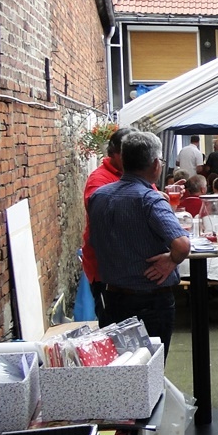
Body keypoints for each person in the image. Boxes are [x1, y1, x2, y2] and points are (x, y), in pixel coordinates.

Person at [87, 131, 190, 357]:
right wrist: (171, 259)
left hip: (111, 297)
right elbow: (182, 245)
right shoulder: (149, 198)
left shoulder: (99, 196)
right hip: (149, 300)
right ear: (155, 164)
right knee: (149, 371)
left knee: (119, 369)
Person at [81, 126, 132, 324]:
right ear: (115, 153)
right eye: (129, 154)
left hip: (130, 267)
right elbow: (103, 218)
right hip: (107, 269)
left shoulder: (135, 172)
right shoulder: (99, 180)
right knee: (112, 326)